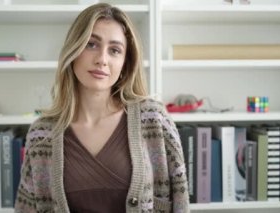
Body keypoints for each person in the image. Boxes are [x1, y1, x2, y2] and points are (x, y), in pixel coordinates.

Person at [15, 3, 189, 213]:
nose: (102, 60)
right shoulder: (42, 133)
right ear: (74, 50)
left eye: (114, 50)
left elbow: (179, 201)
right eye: (91, 44)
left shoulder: (154, 119)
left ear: (125, 62)